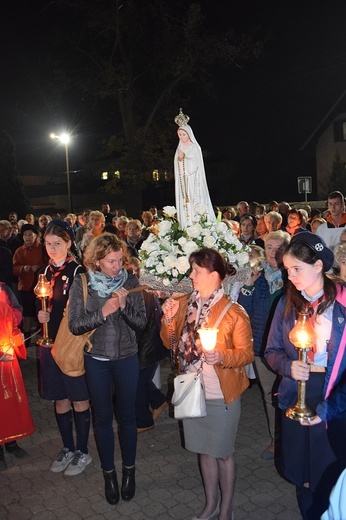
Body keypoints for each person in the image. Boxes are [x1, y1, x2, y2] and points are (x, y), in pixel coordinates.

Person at [161, 248, 254, 520]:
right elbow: (170, 344)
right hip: (192, 390)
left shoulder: (234, 311)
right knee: (204, 450)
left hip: (222, 395)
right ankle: (210, 504)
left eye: (196, 271)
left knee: (223, 453)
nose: (190, 276)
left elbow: (247, 353)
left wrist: (222, 355)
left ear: (214, 275)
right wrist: (168, 318)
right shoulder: (183, 303)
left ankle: (227, 509)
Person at [264, 232, 346, 519]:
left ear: (319, 266)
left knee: (328, 472)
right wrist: (288, 366)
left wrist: (330, 407)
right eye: (287, 270)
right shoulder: (286, 304)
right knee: (301, 473)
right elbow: (271, 350)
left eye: (297, 269)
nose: (291, 277)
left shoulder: (342, 304)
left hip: (332, 392)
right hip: (295, 393)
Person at [68, 233, 147, 505]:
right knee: (101, 418)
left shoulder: (131, 281)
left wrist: (123, 308)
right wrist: (102, 313)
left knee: (127, 417)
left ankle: (129, 472)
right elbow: (75, 325)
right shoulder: (83, 283)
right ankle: (109, 475)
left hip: (126, 357)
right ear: (97, 260)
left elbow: (142, 325)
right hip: (97, 358)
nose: (117, 267)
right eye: (111, 262)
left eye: (119, 260)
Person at [37, 220, 91, 476]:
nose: (52, 248)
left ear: (69, 243)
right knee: (60, 399)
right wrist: (43, 316)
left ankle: (83, 450)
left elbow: (84, 309)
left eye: (57, 243)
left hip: (71, 344)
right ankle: (67, 447)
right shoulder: (44, 273)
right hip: (51, 344)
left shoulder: (78, 271)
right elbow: (45, 305)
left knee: (79, 399)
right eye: (48, 244)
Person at [238, 230, 290, 459]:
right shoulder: (258, 278)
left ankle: (293, 440)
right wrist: (249, 283)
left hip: (289, 351)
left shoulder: (293, 278)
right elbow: (243, 311)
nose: (274, 253)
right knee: (270, 395)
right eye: (270, 247)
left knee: (291, 395)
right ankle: (276, 440)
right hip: (262, 348)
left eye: (280, 248)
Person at [0, 284, 35, 471]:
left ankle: (11, 442)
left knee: (12, 402)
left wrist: (16, 334)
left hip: (8, 359)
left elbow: (16, 312)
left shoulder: (3, 289)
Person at [174, 109, 215, 229]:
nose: (181, 137)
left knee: (194, 203)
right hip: (184, 183)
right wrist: (179, 159)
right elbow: (178, 168)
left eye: (183, 134)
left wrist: (183, 159)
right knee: (186, 205)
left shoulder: (194, 148)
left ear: (189, 134)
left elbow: (193, 166)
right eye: (180, 135)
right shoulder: (179, 148)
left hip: (194, 181)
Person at [13, 224, 48, 342]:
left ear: (36, 236)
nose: (27, 238)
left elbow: (49, 265)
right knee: (27, 311)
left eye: (30, 235)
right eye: (25, 235)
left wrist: (39, 268)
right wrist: (23, 268)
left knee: (42, 310)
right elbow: (14, 269)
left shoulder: (43, 248)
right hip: (25, 286)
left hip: (42, 287)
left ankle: (44, 333)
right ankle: (27, 335)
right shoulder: (19, 251)